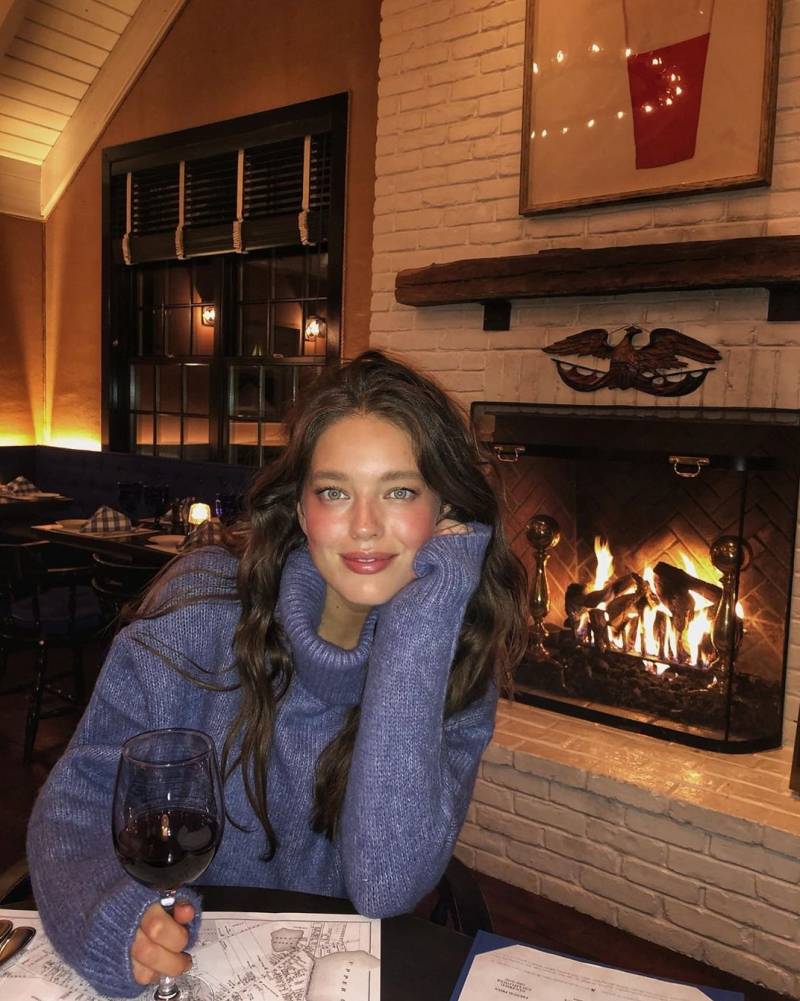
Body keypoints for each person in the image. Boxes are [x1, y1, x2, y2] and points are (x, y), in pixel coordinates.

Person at [27, 350, 528, 997]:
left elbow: (385, 885)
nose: (365, 526)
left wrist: (418, 627)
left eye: (400, 491)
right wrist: (114, 919)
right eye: (334, 491)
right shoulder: (199, 615)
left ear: (446, 513)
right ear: (299, 509)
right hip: (191, 966)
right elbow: (78, 804)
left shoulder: (455, 664)